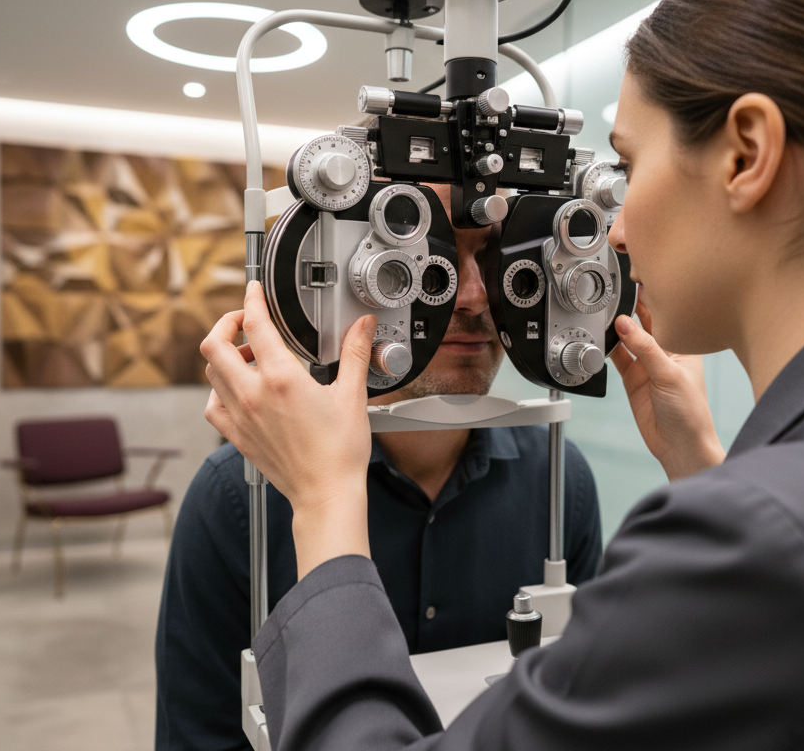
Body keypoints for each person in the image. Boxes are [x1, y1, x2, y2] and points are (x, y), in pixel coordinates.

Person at [199, 0, 804, 747]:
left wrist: (323, 505)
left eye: (627, 166)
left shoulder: (752, 542)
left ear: (746, 154)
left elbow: (794, 581)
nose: (619, 229)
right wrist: (719, 474)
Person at [155, 183, 604, 751]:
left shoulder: (562, 482)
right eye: (426, 259)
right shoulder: (237, 497)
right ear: (342, 278)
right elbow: (200, 734)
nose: (472, 296)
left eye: (493, 259)